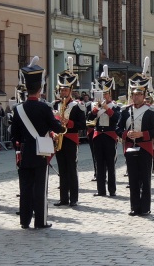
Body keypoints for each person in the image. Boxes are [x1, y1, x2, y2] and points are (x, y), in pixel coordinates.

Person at [11, 57, 65, 229]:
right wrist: (61, 124)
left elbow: (14, 135)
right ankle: (40, 221)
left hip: (25, 152)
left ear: (26, 89)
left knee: (25, 188)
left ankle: (24, 220)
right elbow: (57, 128)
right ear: (40, 89)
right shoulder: (44, 108)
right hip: (41, 152)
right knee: (40, 188)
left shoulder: (18, 109)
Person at [116, 60, 154, 216]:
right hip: (130, 147)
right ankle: (135, 207)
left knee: (145, 180)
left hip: (145, 147)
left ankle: (145, 207)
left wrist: (142, 134)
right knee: (133, 180)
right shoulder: (125, 111)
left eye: (139, 94)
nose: (136, 97)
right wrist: (125, 134)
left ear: (144, 95)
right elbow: (118, 128)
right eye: (134, 94)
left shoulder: (150, 111)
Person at [52, 58, 86, 207]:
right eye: (61, 90)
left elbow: (82, 125)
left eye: (65, 90)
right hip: (59, 139)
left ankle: (74, 198)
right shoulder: (55, 105)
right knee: (62, 169)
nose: (63, 93)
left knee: (71, 168)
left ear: (71, 91)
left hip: (71, 139)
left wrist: (69, 123)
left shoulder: (77, 106)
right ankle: (63, 198)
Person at [88, 65, 120, 196]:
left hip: (110, 137)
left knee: (111, 165)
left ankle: (112, 190)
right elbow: (89, 119)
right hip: (98, 137)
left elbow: (116, 119)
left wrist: (107, 108)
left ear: (109, 94)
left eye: (105, 93)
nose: (103, 96)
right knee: (99, 164)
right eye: (101, 93)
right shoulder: (94, 106)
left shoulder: (115, 106)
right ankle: (101, 190)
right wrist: (95, 110)